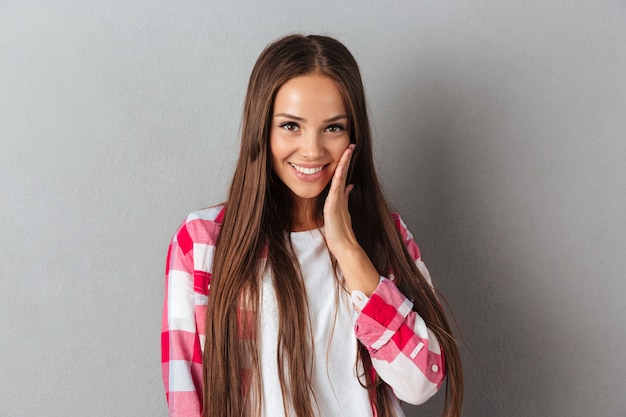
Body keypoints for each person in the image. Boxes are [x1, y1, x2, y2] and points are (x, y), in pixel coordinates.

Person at [161, 34, 463, 417]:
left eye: (333, 128)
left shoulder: (382, 235)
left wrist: (349, 250)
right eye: (291, 126)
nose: (312, 150)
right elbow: (188, 401)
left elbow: (422, 383)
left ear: (354, 134)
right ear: (262, 129)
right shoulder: (202, 244)